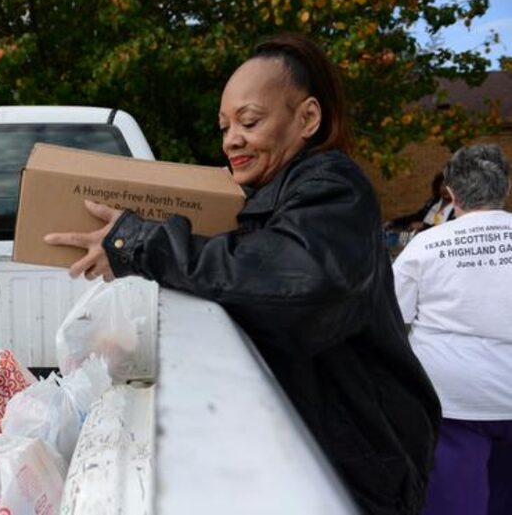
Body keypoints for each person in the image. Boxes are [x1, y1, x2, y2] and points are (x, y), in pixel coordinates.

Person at [45, 33, 441, 514]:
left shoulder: (334, 189)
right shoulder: (266, 199)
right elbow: (239, 278)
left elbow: (293, 280)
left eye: (249, 122)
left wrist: (139, 242)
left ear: (308, 118)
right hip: (321, 451)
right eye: (225, 125)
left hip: (358, 463)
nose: (232, 139)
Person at [392, 144, 512, 515]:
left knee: (455, 505)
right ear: (505, 189)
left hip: (452, 401)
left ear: (452, 193)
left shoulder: (424, 245)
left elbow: (393, 314)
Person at [384, 172, 455, 232]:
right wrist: (394, 222)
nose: (445, 189)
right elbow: (417, 216)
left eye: (449, 186)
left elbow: (447, 230)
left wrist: (424, 226)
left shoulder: (457, 209)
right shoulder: (433, 202)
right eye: (442, 185)